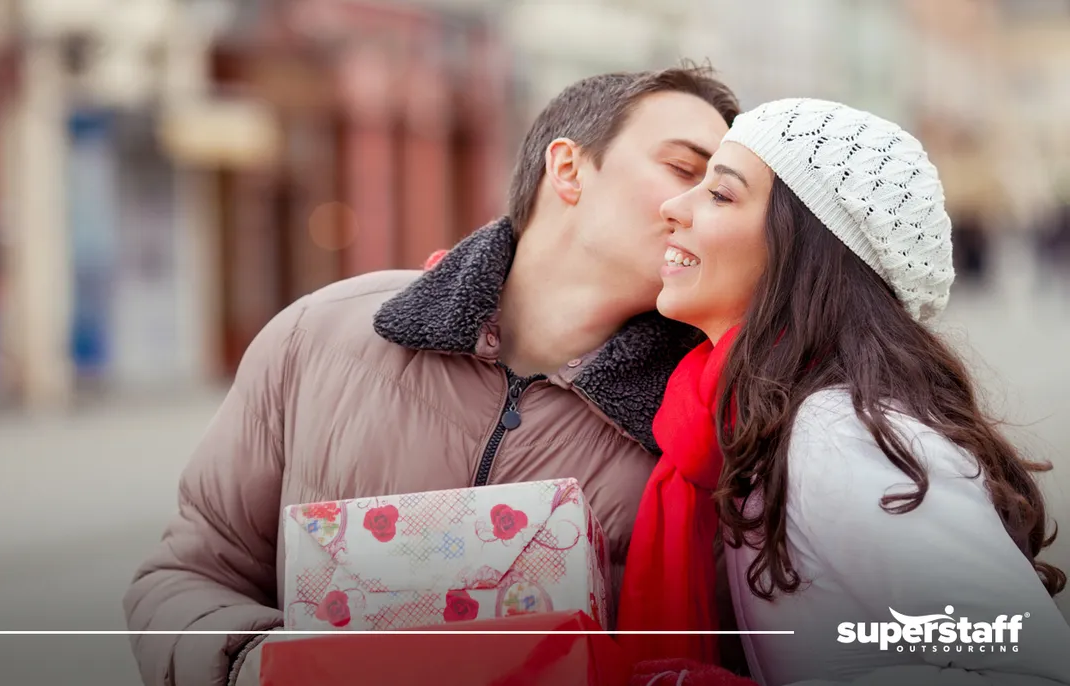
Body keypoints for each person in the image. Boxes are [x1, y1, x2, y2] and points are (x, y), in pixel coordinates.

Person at [123, 64, 742, 686]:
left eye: (720, 194)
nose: (699, 210)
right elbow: (188, 575)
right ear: (569, 168)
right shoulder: (320, 336)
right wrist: (252, 662)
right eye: (685, 171)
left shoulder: (706, 432)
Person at [618, 96, 1070, 685]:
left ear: (805, 250)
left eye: (721, 193)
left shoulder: (841, 434)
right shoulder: (750, 417)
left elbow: (1035, 669)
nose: (673, 206)